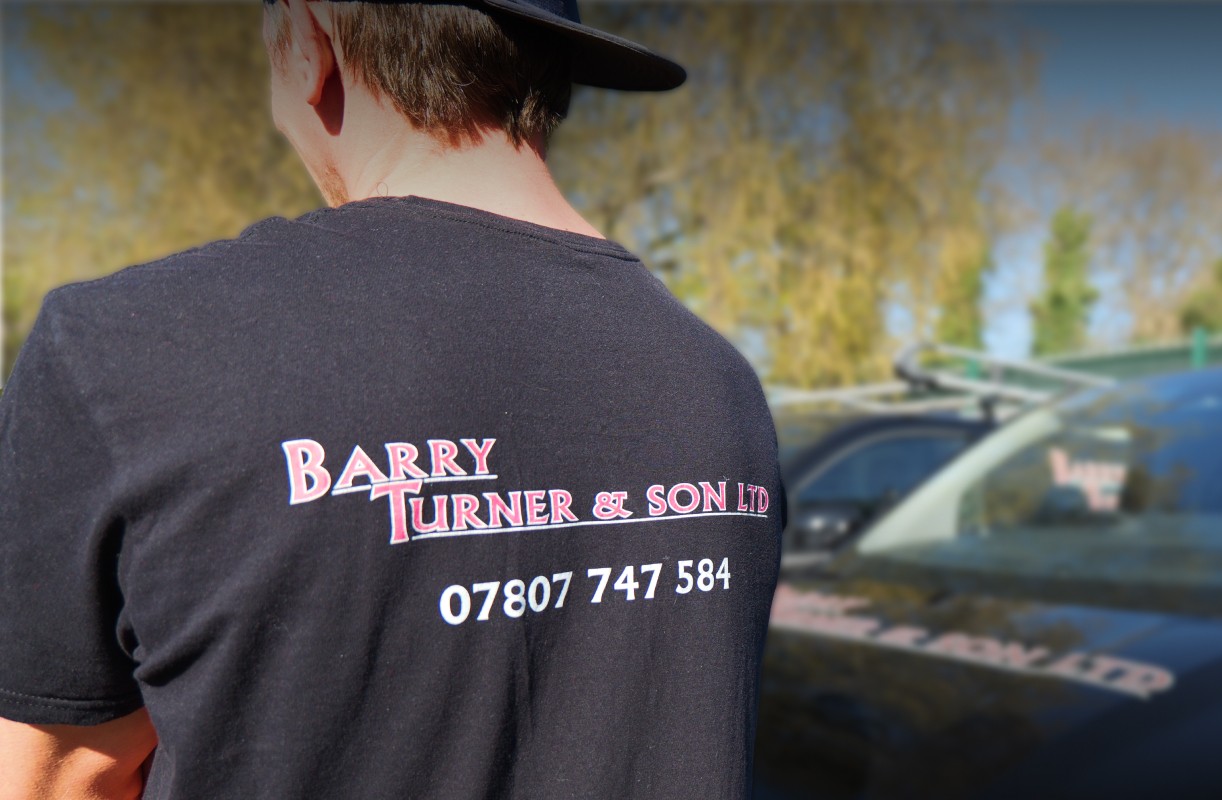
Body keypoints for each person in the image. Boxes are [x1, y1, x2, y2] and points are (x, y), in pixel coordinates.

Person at [0, 1, 783, 797]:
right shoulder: (721, 385)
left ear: (307, 48)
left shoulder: (124, 350)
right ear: (552, 70)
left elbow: (52, 778)